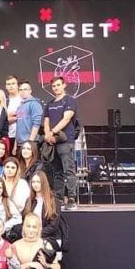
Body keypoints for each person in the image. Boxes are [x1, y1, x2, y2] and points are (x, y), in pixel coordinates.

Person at [42, 77, 78, 210]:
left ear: (64, 85)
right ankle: (59, 199)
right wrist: (47, 135)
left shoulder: (70, 100)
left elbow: (66, 118)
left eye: (58, 85)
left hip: (66, 141)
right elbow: (46, 121)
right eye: (54, 86)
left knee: (68, 170)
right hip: (52, 142)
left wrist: (52, 132)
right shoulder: (49, 104)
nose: (56, 88)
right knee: (57, 172)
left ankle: (72, 198)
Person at [23, 171, 61, 244]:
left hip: (49, 238)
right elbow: (24, 220)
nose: (35, 184)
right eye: (33, 182)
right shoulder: (29, 201)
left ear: (44, 183)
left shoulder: (54, 201)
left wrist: (37, 233)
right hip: (31, 237)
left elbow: (53, 226)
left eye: (38, 182)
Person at [14, 81, 44, 153]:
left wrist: (30, 142)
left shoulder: (34, 104)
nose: (23, 92)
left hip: (30, 143)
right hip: (20, 143)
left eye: (25, 89)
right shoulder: (20, 106)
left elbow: (36, 124)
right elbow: (18, 126)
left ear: (30, 90)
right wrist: (15, 144)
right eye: (20, 90)